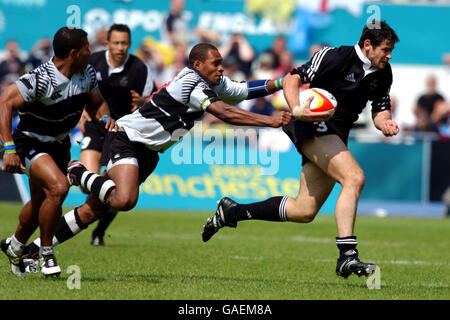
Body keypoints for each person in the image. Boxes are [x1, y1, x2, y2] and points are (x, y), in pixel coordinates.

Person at [20, 43, 292, 267]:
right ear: (198, 65)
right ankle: (77, 172)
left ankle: (33, 249)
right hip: (127, 138)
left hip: (149, 152)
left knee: (94, 210)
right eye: (215, 62)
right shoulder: (192, 84)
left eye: (221, 62)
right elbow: (225, 113)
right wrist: (269, 121)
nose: (221, 67)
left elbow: (243, 90)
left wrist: (281, 82)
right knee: (125, 199)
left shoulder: (213, 82)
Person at [202, 21, 400, 279]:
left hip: (337, 134)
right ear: (367, 45)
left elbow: (379, 110)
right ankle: (347, 256)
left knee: (304, 211)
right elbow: (293, 78)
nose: (389, 55)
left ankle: (232, 211)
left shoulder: (384, 72)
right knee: (354, 178)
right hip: (312, 124)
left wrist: (385, 123)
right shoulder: (335, 56)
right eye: (385, 49)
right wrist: (296, 108)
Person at [0, 27, 116, 277]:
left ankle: (16, 245)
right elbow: (5, 102)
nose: (91, 51)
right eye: (87, 47)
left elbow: (97, 103)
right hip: (30, 143)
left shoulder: (87, 73)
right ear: (74, 53)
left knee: (41, 203)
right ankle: (46, 254)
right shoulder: (41, 79)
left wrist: (104, 115)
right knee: (59, 187)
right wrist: (8, 148)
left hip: (59, 144)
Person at [79, 23, 156, 246]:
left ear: (129, 44)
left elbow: (156, 101)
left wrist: (144, 101)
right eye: (116, 43)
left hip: (122, 134)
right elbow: (77, 90)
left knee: (120, 191)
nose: (120, 47)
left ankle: (99, 232)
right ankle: (92, 195)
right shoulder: (93, 63)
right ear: (107, 43)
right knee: (87, 183)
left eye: (124, 43)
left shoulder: (140, 69)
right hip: (96, 126)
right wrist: (81, 113)